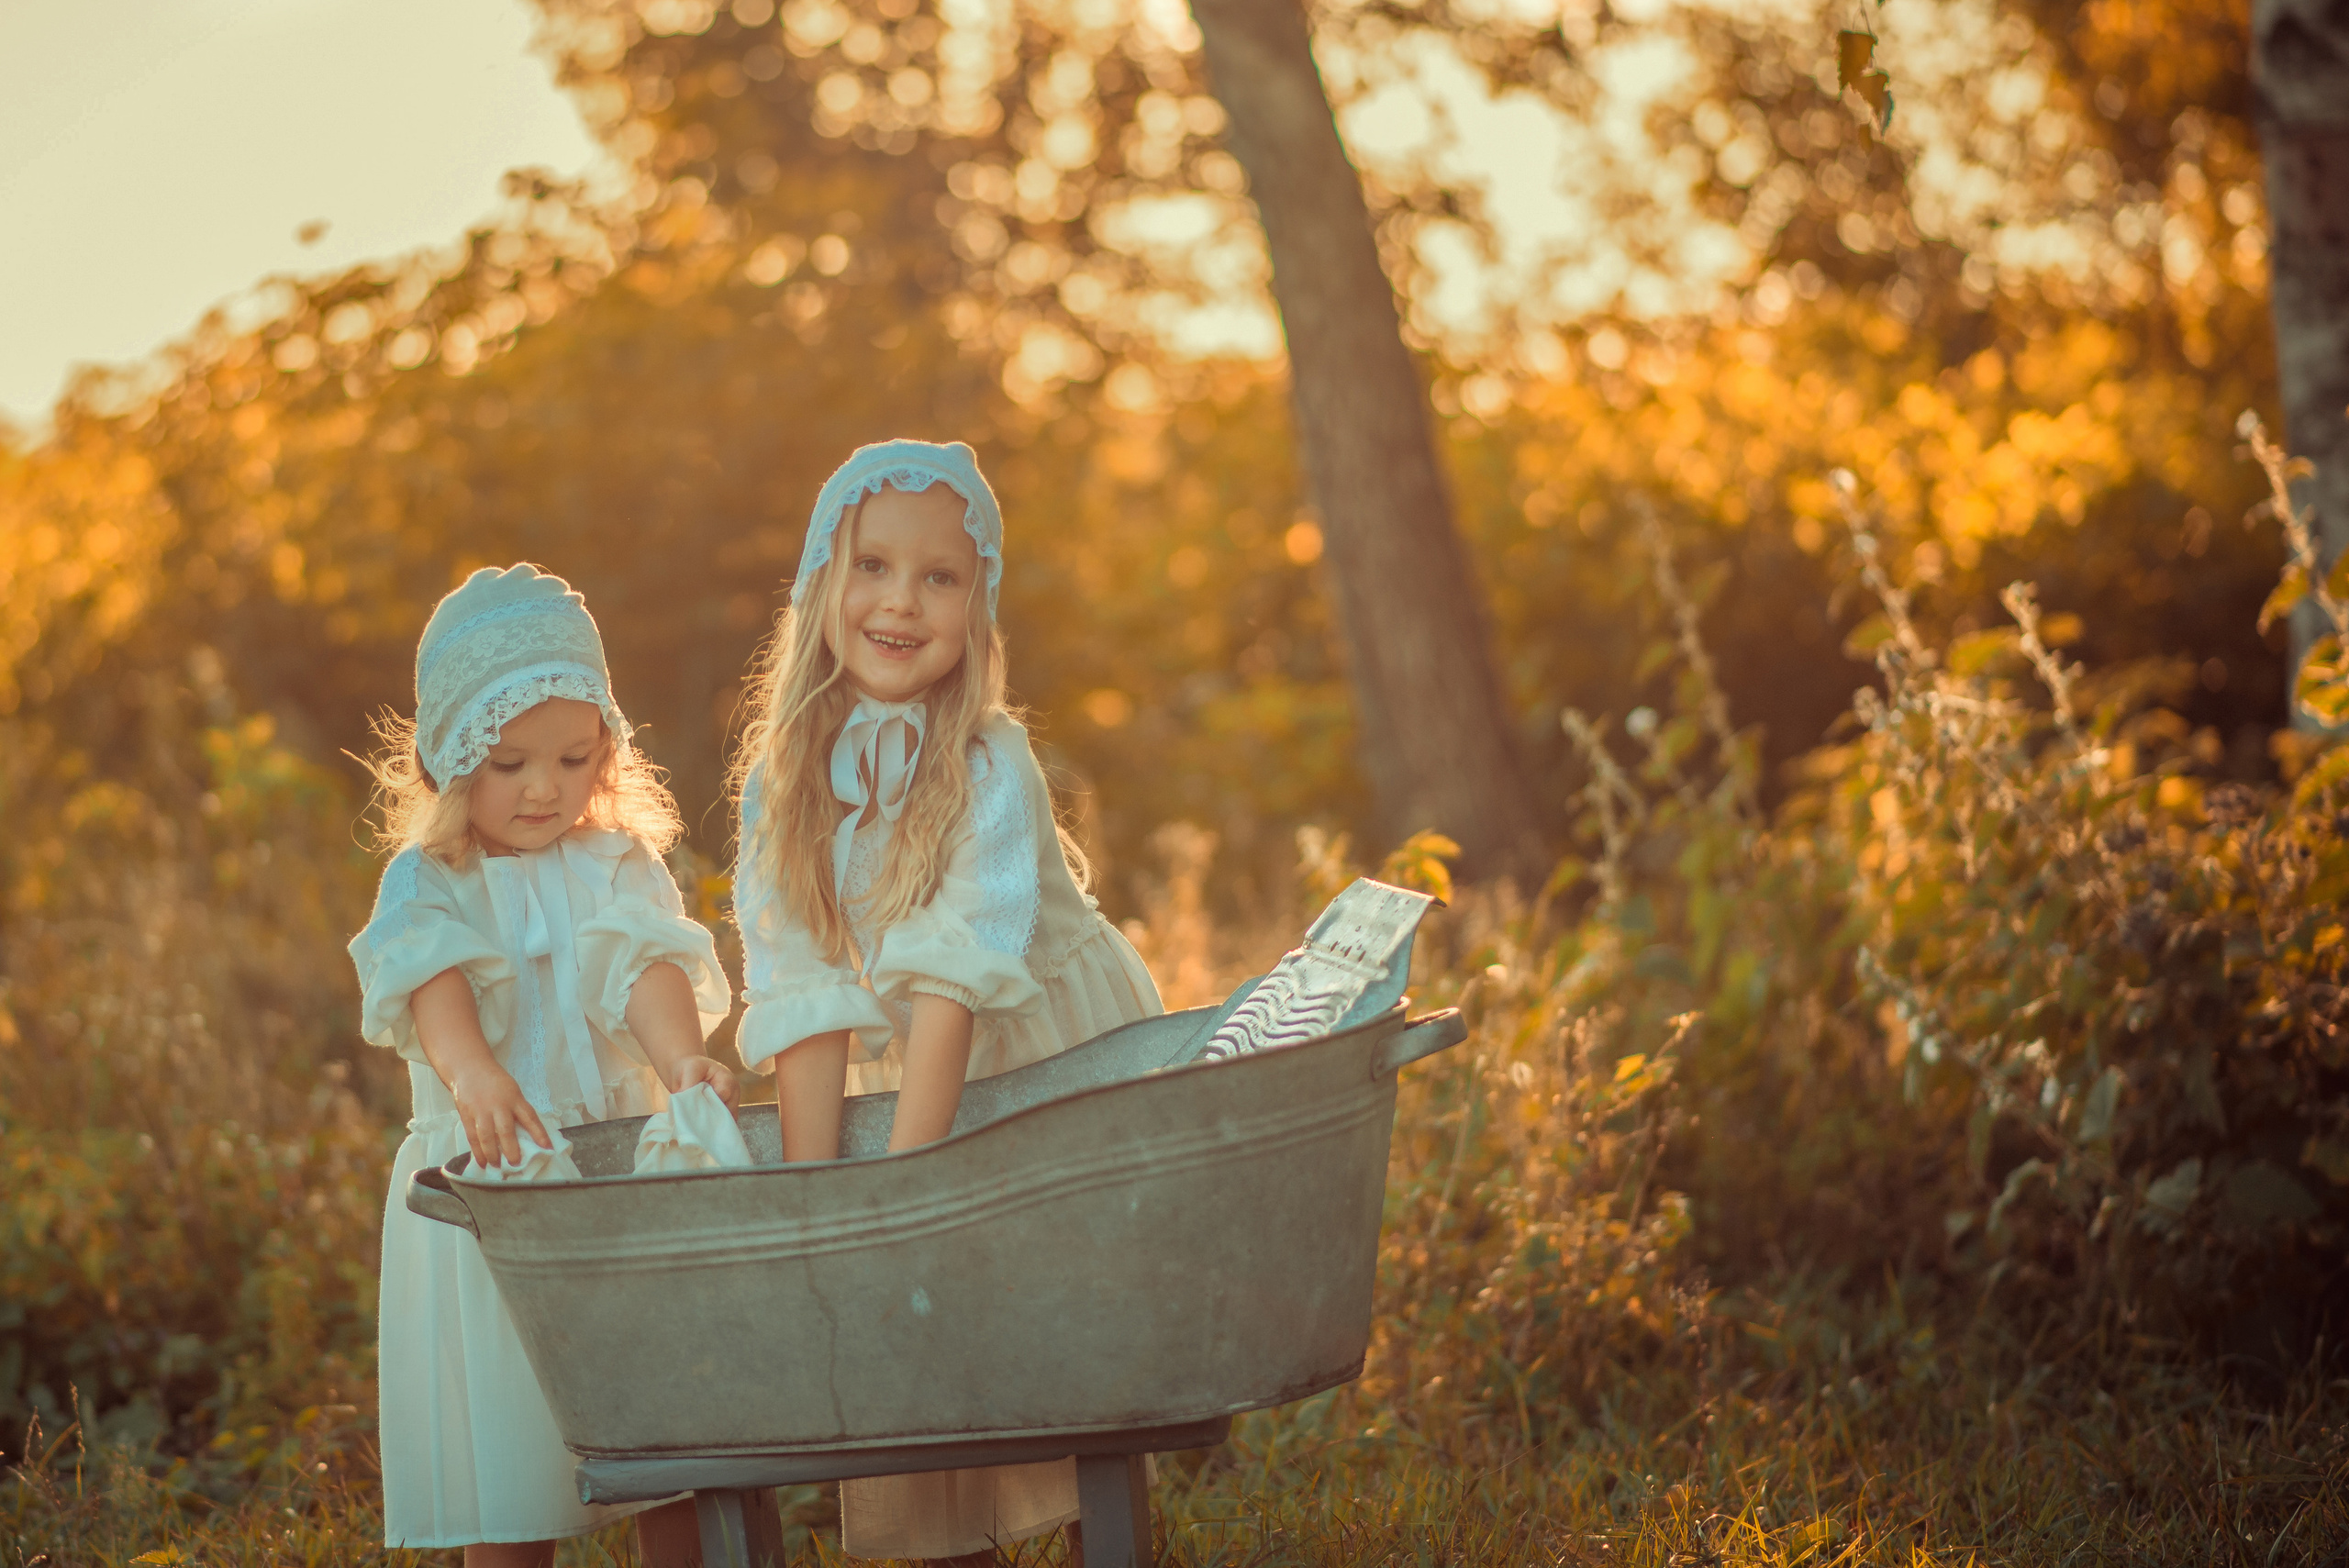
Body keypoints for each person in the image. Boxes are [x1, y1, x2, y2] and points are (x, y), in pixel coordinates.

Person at [729, 439, 1163, 1565]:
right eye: (872, 565)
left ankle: (1106, 1532)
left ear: (979, 605)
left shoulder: (987, 758)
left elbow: (958, 977)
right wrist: (823, 1207)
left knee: (1045, 1325)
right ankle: (943, 1541)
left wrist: (905, 1194)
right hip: (908, 1056)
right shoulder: (781, 779)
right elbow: (806, 994)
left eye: (940, 577)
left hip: (1041, 1046)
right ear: (823, 579)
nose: (899, 601)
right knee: (900, 1333)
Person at [350, 563, 738, 1567]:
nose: (544, 787)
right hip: (499, 1179)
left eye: (572, 758)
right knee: (512, 1455)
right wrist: (473, 1073)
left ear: (605, 746)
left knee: (669, 1434)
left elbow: (643, 969)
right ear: (447, 762)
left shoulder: (615, 862)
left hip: (611, 1178)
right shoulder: (427, 879)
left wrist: (682, 1057)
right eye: (510, 761)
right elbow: (434, 988)